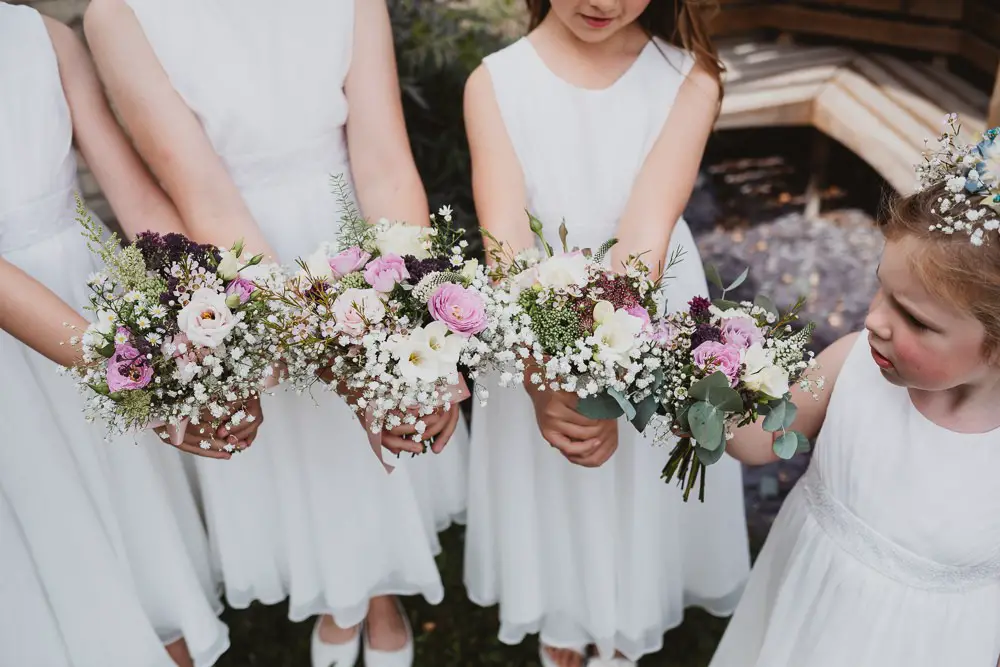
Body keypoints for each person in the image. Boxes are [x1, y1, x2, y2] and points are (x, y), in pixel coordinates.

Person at [84, 1, 466, 664]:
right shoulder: (118, 14)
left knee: (369, 445)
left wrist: (410, 323)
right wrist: (331, 348)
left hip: (349, 227)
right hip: (232, 253)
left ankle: (378, 594)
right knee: (300, 443)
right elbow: (202, 193)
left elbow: (386, 166)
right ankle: (335, 595)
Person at [462, 1, 750, 665]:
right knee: (557, 460)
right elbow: (505, 245)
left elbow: (644, 241)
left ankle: (625, 617)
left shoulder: (688, 79)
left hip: (645, 306)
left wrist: (616, 381)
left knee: (634, 474)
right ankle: (566, 608)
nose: (603, 2)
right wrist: (540, 378)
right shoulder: (495, 83)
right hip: (533, 313)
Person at [0, 4, 246, 665]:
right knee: (47, 538)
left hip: (87, 296)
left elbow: (132, 196)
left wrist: (213, 325)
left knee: (139, 536)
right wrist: (138, 379)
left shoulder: (41, 35)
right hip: (25, 356)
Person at [710, 131, 1000, 666]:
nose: (873, 320)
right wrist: (706, 384)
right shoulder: (851, 362)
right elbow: (754, 443)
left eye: (913, 318)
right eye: (880, 288)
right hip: (804, 605)